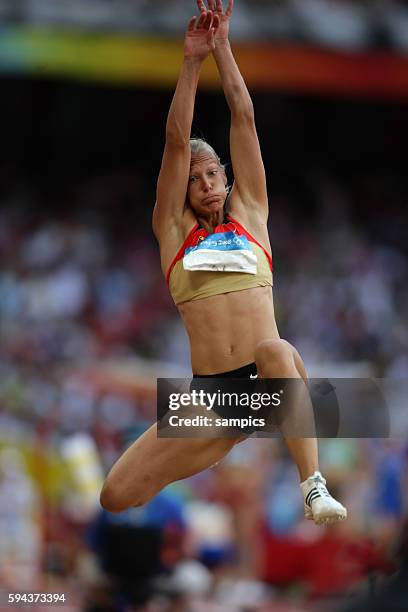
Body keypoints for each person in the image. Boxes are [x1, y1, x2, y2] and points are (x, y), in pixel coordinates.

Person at [100, 0, 347, 525]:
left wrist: (223, 50)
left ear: (228, 179)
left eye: (213, 173)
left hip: (266, 378)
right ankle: (220, 449)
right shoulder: (174, 234)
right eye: (195, 178)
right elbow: (173, 142)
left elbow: (244, 115)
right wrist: (190, 62)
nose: (207, 184)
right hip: (211, 398)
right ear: (183, 192)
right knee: (115, 496)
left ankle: (312, 485)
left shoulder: (252, 217)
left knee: (275, 349)